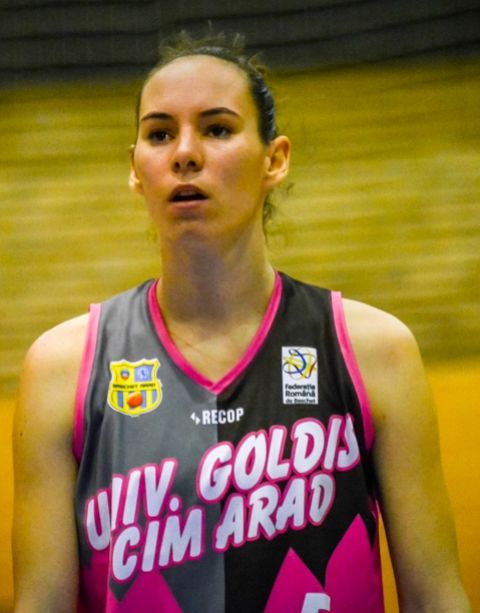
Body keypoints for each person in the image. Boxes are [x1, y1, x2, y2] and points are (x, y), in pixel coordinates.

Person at [13, 32, 471, 613]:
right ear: (135, 170)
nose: (184, 153)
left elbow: (435, 598)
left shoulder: (374, 351)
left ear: (274, 159)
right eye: (160, 134)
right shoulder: (62, 369)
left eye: (217, 129)